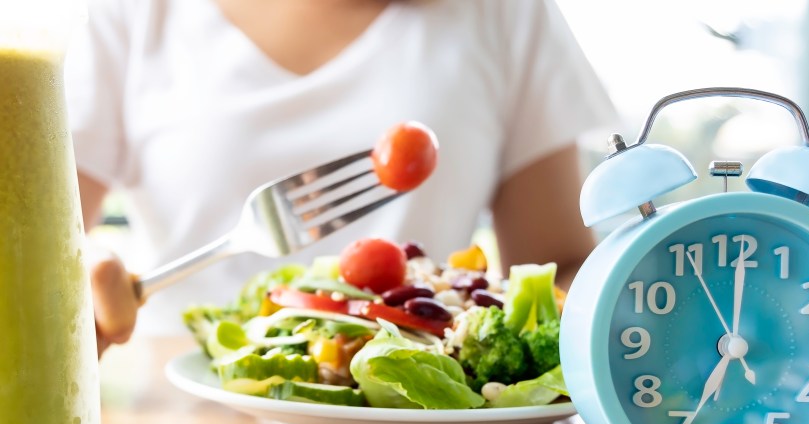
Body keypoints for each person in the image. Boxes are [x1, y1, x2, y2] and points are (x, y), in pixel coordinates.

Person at [70, 0, 619, 355]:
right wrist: (76, 284)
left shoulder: (507, 13)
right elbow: (38, 242)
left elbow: (561, 270)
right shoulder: (131, 14)